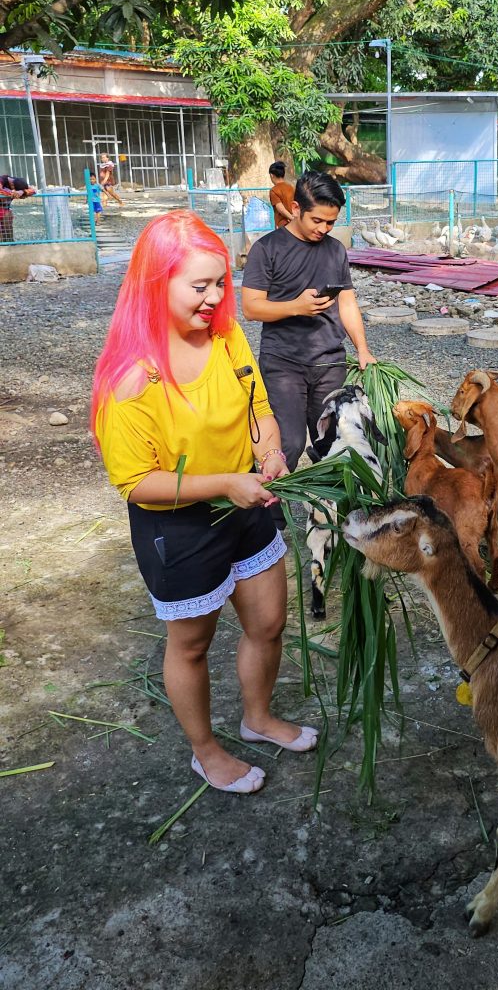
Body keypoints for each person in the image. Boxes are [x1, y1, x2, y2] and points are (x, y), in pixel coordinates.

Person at [91, 210, 318, 795]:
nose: (217, 298)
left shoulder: (224, 333)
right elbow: (136, 482)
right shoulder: (132, 379)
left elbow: (256, 403)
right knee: (190, 644)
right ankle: (206, 751)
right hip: (181, 525)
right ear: (154, 284)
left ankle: (258, 717)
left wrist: (268, 446)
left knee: (268, 622)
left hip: (246, 496)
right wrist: (223, 483)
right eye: (200, 286)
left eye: (220, 282)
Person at [241, 171, 377, 482]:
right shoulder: (267, 248)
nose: (324, 229)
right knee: (286, 443)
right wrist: (295, 307)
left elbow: (347, 303)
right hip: (283, 363)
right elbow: (251, 308)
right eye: (317, 220)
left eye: (331, 222)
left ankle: (328, 514)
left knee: (331, 441)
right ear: (295, 208)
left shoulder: (335, 250)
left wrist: (363, 349)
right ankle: (272, 521)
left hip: (330, 362)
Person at [0, 175, 36, 242]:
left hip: (5, 209)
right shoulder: (2, 179)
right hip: (3, 208)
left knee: (9, 232)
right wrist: (12, 193)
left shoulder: (19, 182)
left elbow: (33, 190)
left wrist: (22, 192)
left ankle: (11, 244)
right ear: (12, 185)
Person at [267, 160, 295, 228]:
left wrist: (292, 219)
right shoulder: (291, 187)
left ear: (271, 175)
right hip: (293, 225)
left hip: (282, 226)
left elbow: (281, 209)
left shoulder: (274, 191)